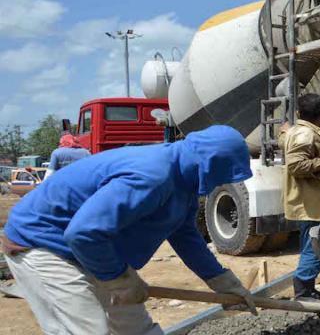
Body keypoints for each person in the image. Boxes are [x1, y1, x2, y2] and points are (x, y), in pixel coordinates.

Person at [1, 125, 258, 335]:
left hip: (93, 251)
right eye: (222, 175)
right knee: (87, 330)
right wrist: (120, 279)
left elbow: (186, 237)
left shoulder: (183, 182)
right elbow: (83, 233)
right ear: (210, 165)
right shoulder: (153, 176)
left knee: (137, 328)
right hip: (42, 244)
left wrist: (222, 281)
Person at [279, 93, 320, 301]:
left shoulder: (297, 132)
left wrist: (284, 133)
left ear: (299, 113)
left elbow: (288, 145)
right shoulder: (305, 135)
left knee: (311, 244)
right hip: (312, 202)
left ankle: (306, 288)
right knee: (317, 246)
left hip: (309, 201)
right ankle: (303, 290)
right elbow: (297, 166)